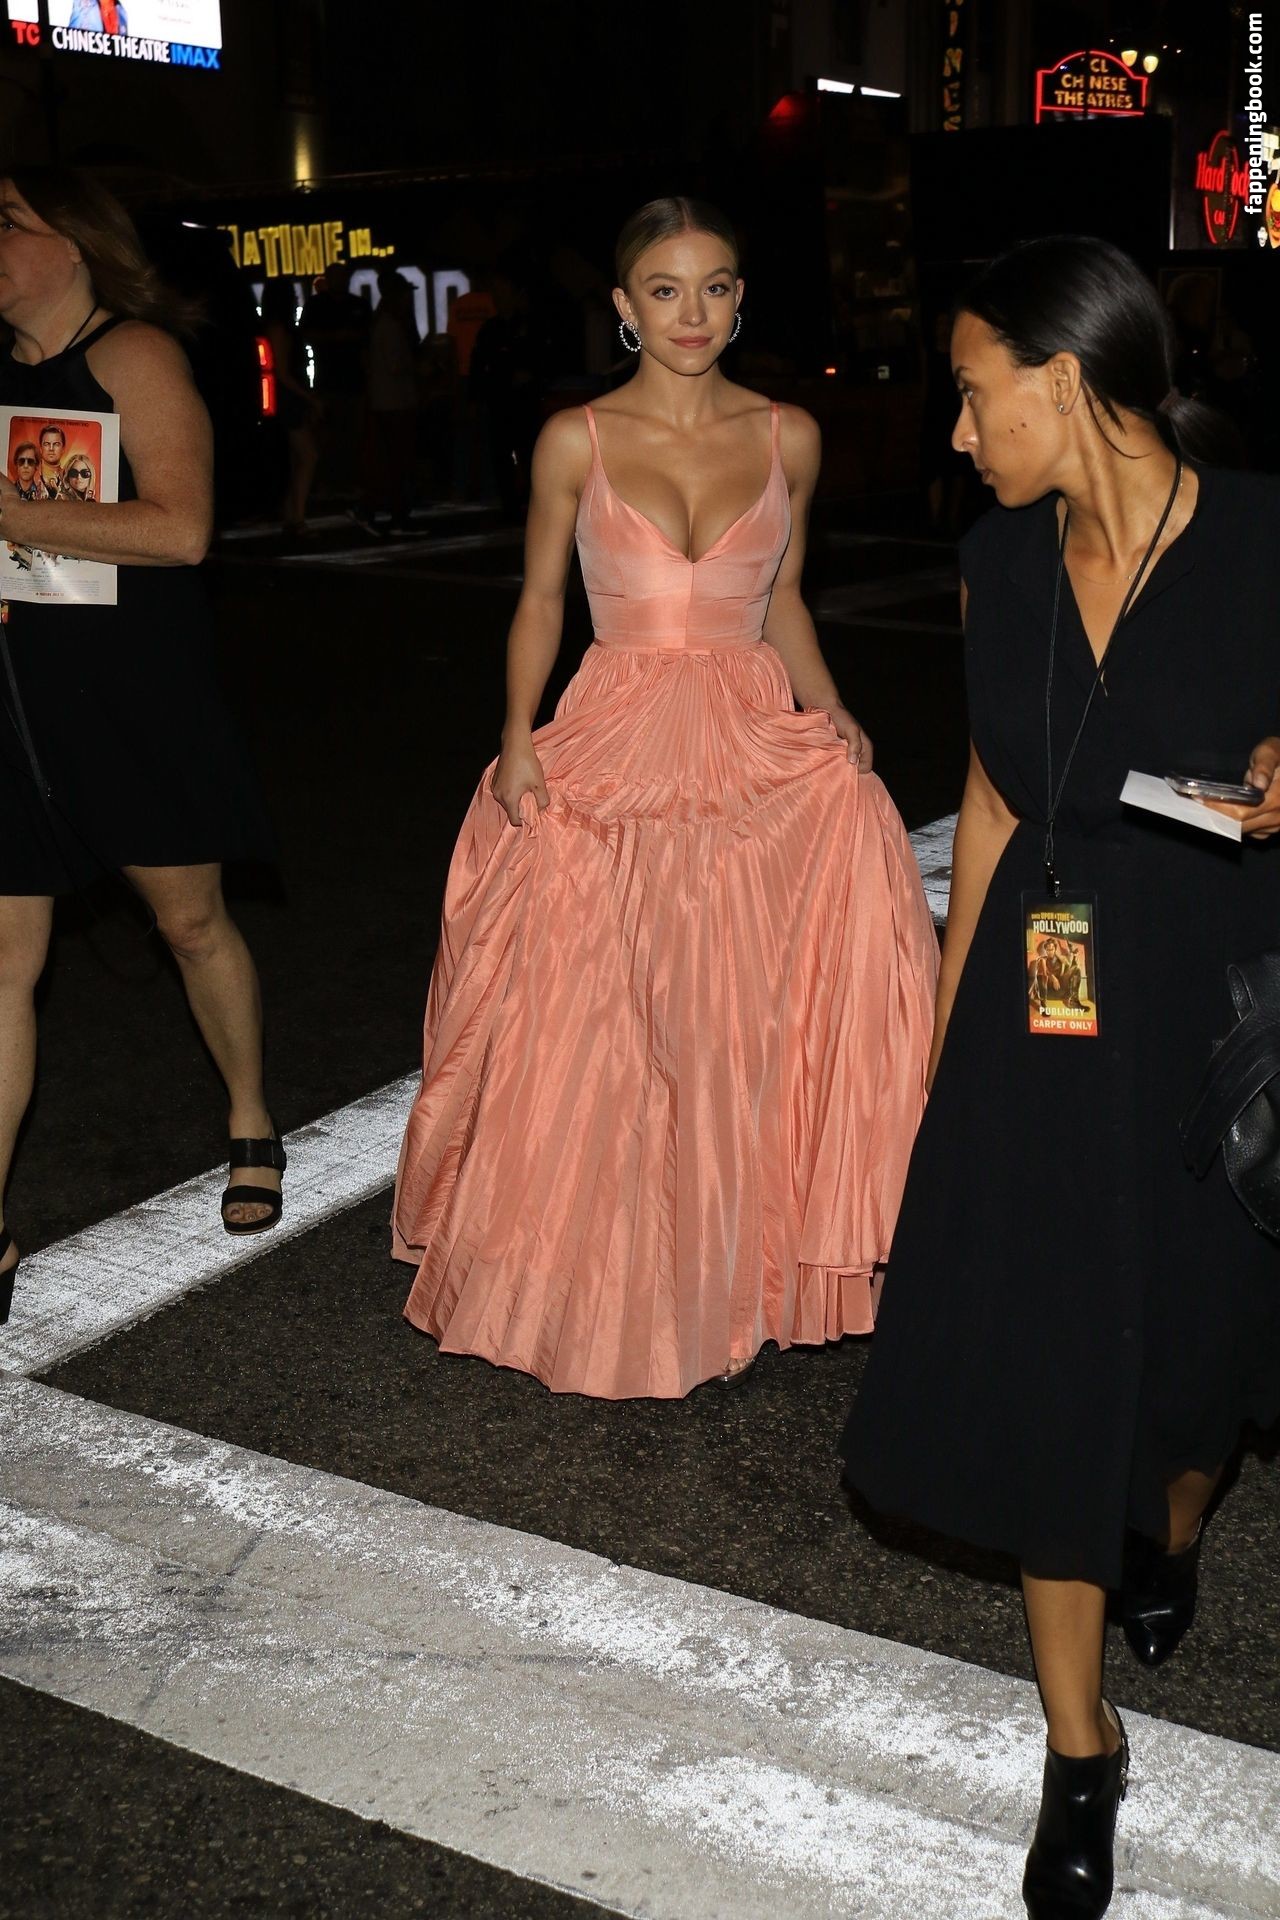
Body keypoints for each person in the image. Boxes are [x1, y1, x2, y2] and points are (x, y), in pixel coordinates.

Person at [840, 235, 1280, 1918]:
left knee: (1199, 1373)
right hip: (1049, 1008)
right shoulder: (997, 561)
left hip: (1219, 1008)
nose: (957, 433)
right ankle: (1079, 1745)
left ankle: (1167, 1521)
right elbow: (994, 798)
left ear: (1066, 380)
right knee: (1055, 1373)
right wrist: (950, 1048)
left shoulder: (1263, 538)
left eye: (973, 394)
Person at [392, 196, 937, 1399]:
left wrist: (828, 705)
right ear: (623, 307)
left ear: (740, 299)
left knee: (740, 1012)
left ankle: (737, 1263)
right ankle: (608, 1276)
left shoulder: (789, 435)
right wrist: (516, 736)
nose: (693, 313)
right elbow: (541, 599)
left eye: (716, 286)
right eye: (665, 289)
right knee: (608, 1020)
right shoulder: (573, 439)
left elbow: (782, 596)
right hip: (619, 726)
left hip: (745, 733)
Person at [0, 168, 286, 1326]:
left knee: (188, 923)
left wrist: (8, 515)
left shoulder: (134, 357)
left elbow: (182, 530)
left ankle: (251, 1116)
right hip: (13, 696)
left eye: (7, 222)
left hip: (128, 691)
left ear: (74, 243)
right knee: (3, 961)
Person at [352, 267, 420, 535]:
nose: (408, 299)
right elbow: (394, 365)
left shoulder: (381, 322)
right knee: (397, 462)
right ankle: (394, 515)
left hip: (387, 401)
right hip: (395, 402)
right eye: (405, 294)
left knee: (389, 461)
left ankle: (380, 510)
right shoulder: (390, 325)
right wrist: (419, 367)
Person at [260, 280, 319, 539]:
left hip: (285, 398)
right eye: (292, 295)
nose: (296, 299)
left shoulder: (275, 327)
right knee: (308, 456)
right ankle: (298, 517)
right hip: (287, 399)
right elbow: (282, 373)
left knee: (296, 459)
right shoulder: (279, 329)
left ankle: (291, 514)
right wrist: (309, 397)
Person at [38, 422, 66, 497]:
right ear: (40, 448)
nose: (51, 449)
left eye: (56, 444)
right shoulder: (31, 476)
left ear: (63, 449)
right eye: (46, 444)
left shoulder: (68, 478)